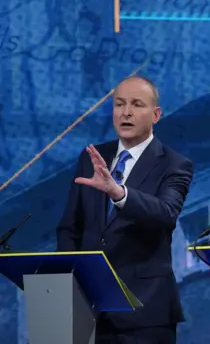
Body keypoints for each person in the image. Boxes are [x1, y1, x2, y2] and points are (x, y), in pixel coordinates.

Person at [56, 75, 194, 344]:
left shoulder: (175, 165)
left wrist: (118, 193)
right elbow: (70, 227)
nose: (126, 112)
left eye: (136, 104)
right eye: (119, 104)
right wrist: (70, 282)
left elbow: (166, 214)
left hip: (144, 314)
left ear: (155, 115)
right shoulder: (92, 158)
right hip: (89, 310)